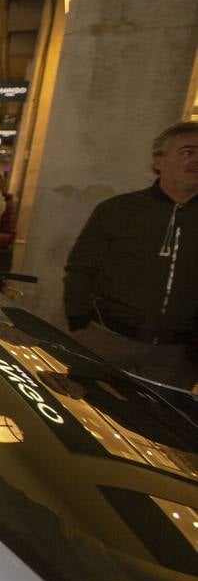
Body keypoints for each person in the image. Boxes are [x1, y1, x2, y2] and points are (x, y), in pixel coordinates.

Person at [64, 121, 198, 392]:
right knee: (92, 412)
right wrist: (79, 320)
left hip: (177, 355)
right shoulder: (119, 210)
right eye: (188, 152)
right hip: (109, 339)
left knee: (156, 427)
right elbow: (81, 267)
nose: (196, 161)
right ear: (159, 161)